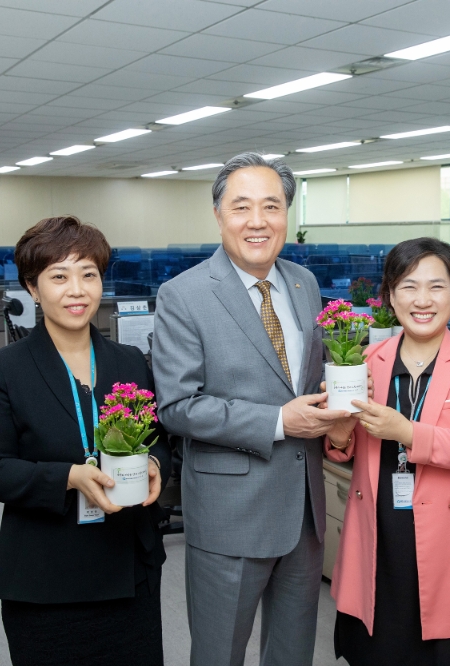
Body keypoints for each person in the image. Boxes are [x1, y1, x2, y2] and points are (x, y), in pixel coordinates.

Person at [152, 152, 354, 666]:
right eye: (242, 207)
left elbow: (308, 380)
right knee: (220, 653)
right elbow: (177, 405)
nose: (258, 221)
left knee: (292, 653)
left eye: (273, 205)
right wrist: (278, 421)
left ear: (288, 214)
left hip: (304, 512)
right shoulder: (184, 294)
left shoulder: (305, 283)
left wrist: (337, 421)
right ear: (219, 215)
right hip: (230, 514)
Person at [0, 216, 171, 666]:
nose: (77, 290)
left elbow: (159, 440)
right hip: (46, 583)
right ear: (33, 289)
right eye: (59, 276)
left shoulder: (129, 362)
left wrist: (154, 465)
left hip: (128, 572)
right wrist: (69, 477)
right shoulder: (5, 371)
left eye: (89, 274)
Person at [325, 237, 450, 666]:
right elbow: (340, 451)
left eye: (436, 286)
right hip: (379, 531)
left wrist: (405, 430)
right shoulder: (364, 360)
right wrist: (336, 432)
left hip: (448, 539)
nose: (422, 300)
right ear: (389, 296)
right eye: (408, 286)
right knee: (376, 649)